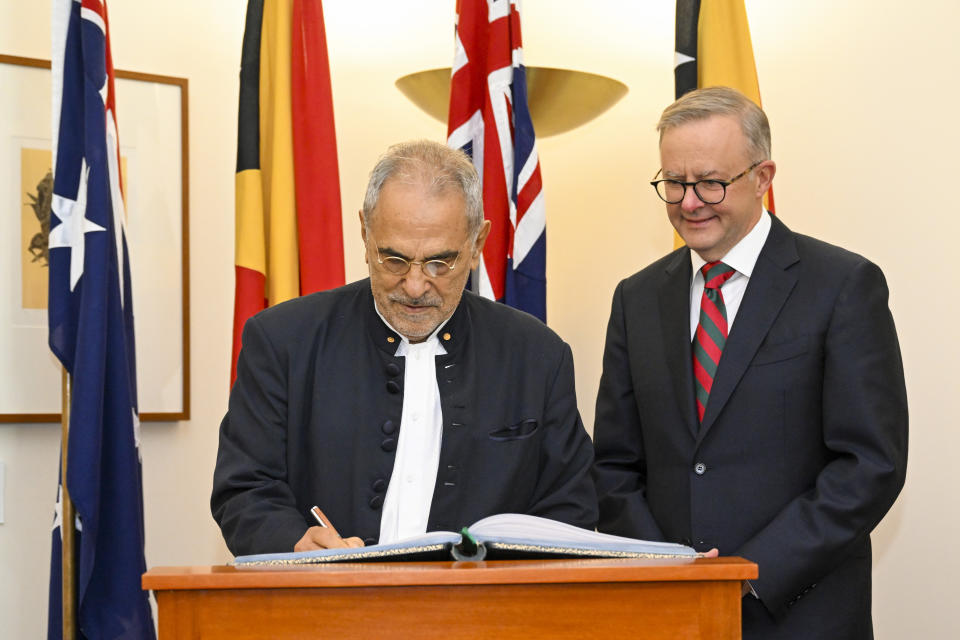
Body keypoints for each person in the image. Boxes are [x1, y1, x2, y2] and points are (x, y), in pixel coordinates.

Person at [592, 87, 907, 639]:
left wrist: (751, 574)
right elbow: (616, 464)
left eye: (711, 182)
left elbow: (869, 465)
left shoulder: (841, 285)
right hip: (669, 613)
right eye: (674, 183)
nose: (690, 202)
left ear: (763, 177)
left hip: (799, 611)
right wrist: (665, 567)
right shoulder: (635, 298)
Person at [212, 139, 597, 556]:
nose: (415, 286)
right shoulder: (282, 341)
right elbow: (245, 489)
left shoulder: (536, 356)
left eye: (439, 263)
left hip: (483, 613)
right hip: (324, 606)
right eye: (393, 260)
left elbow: (569, 507)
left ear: (477, 244)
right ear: (364, 233)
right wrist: (295, 541)